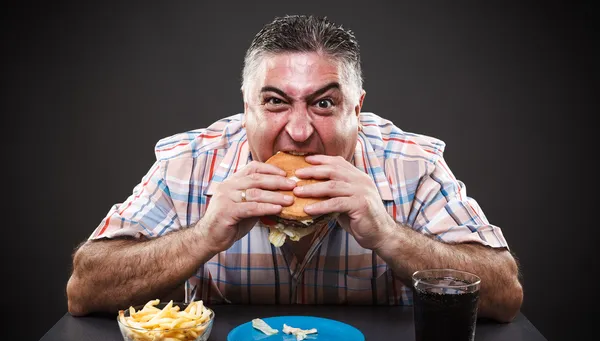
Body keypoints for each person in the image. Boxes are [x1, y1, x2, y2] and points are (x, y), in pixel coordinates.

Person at [66, 15, 523, 322]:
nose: (299, 131)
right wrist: (204, 235)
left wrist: (387, 233)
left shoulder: (412, 164)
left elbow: (505, 295)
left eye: (324, 103)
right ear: (246, 107)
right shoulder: (190, 162)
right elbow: (84, 289)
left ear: (357, 109)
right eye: (275, 103)